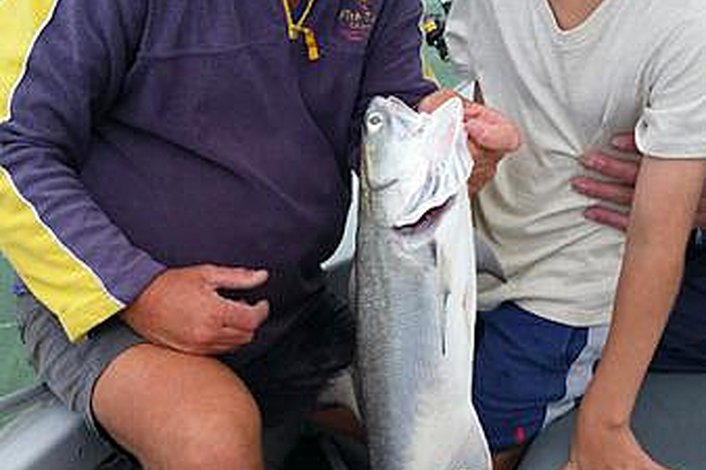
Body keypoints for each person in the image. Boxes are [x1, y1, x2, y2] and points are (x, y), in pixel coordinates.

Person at [0, 0, 520, 469]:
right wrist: (140, 292)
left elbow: (389, 107)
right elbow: (14, 147)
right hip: (112, 313)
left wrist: (452, 144)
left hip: (291, 312)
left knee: (495, 423)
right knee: (213, 437)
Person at [445, 1, 706, 469]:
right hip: (471, 250)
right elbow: (474, 90)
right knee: (387, 389)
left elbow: (657, 242)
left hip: (570, 287)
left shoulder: (686, 25)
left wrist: (604, 424)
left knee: (483, 446)